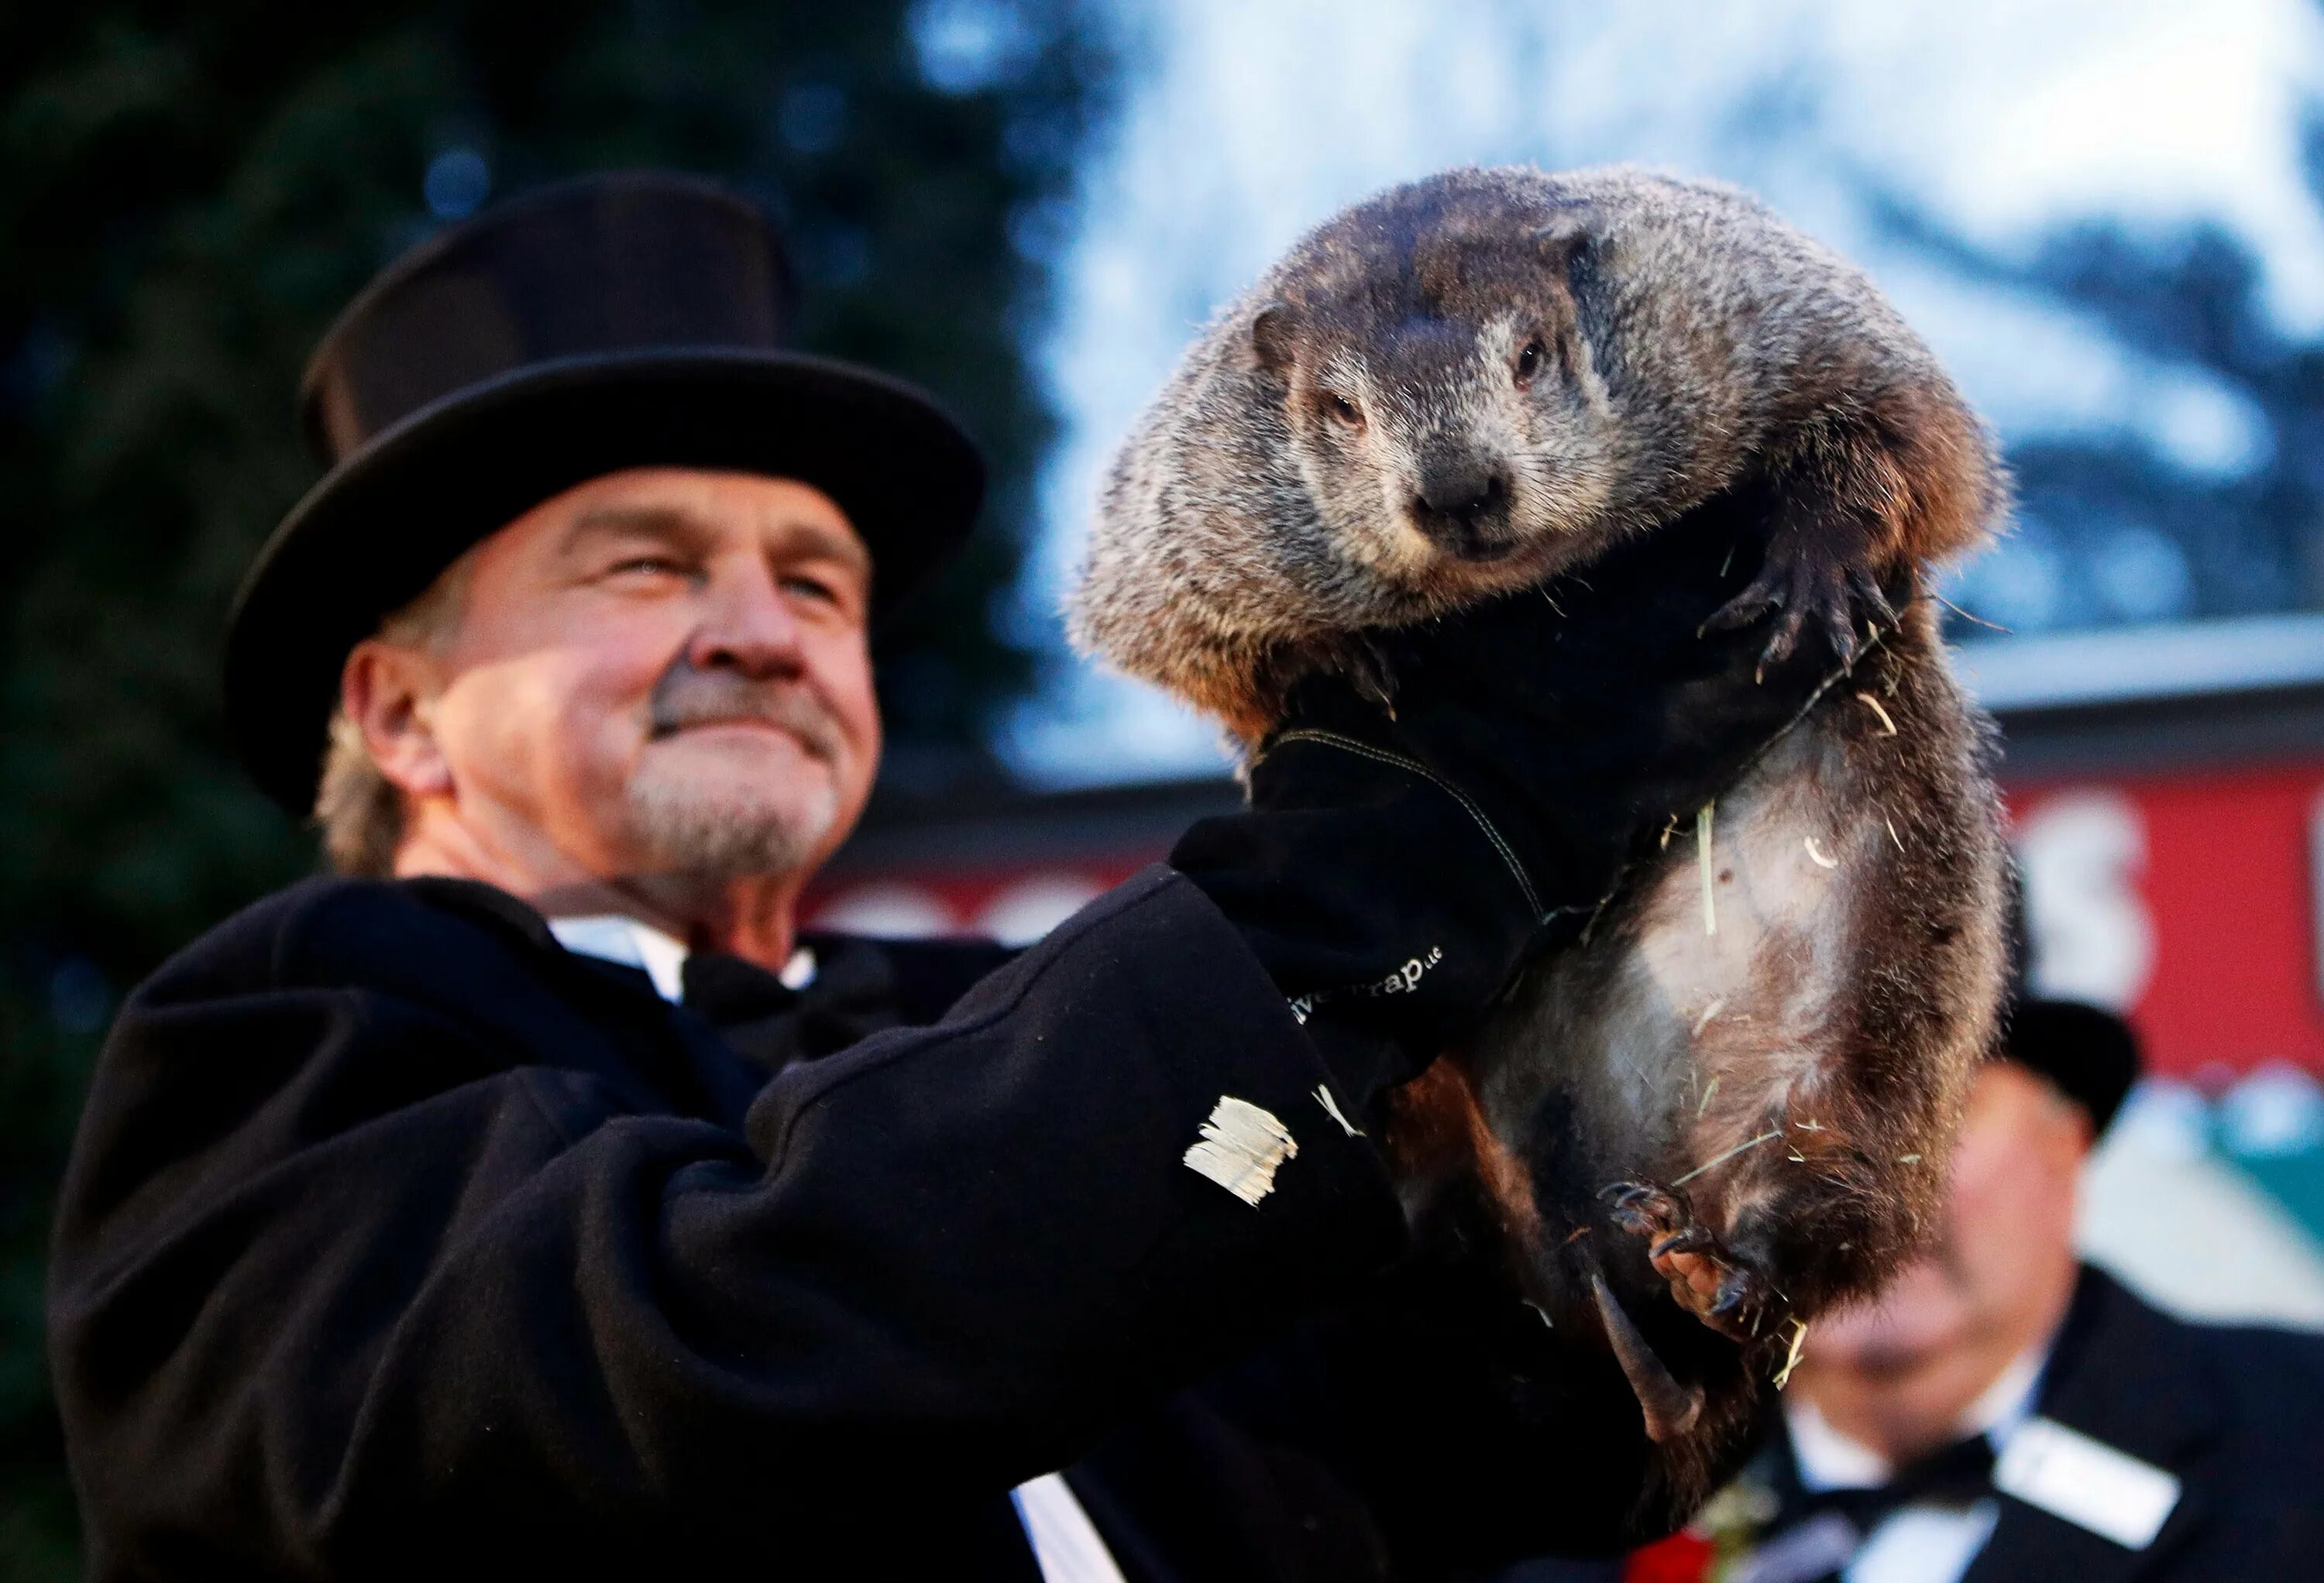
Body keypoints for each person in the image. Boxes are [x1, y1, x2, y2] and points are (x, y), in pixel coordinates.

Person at [46, 172, 1834, 1581]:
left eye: (814, 587)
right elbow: (657, 1379)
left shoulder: (966, 1034)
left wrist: (1682, 1115)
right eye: (643, 569)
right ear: (403, 709)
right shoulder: (293, 1037)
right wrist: (1379, 867)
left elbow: (1479, 1447)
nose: (760, 634)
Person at [1525, 995, 2324, 1583]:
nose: (1852, 1182)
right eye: (1773, 1116)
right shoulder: (1574, 1515)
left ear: (2064, 1145)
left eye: (1926, 1107)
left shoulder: (2296, 1445)